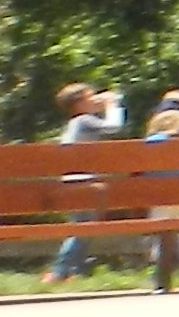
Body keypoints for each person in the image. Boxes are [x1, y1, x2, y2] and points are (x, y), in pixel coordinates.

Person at [45, 81, 124, 285]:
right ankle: (60, 271)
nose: (96, 99)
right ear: (79, 103)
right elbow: (114, 127)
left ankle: (73, 270)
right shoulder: (84, 120)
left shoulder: (79, 122)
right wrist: (112, 105)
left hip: (74, 180)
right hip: (82, 181)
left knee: (83, 226)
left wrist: (102, 103)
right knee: (82, 227)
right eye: (91, 97)